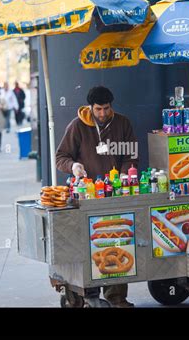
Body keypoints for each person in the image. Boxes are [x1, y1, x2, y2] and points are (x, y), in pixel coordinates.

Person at [56, 86, 138, 307]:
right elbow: (61, 156)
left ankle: (117, 298)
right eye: (99, 109)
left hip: (116, 194)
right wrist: (73, 165)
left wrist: (125, 173)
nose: (103, 113)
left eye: (107, 108)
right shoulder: (77, 126)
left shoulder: (122, 123)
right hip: (88, 195)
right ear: (91, 107)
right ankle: (85, 293)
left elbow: (132, 155)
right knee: (90, 245)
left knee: (117, 242)